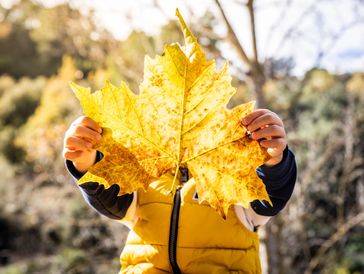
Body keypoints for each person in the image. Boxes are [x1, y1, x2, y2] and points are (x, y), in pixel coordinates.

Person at [63, 108, 297, 274]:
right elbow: (108, 197)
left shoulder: (230, 175)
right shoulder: (144, 176)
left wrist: (274, 158)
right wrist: (85, 161)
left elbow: (270, 194)